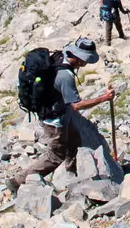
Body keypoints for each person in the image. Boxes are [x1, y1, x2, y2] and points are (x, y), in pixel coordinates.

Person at [21, 36, 120, 184]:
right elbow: (77, 105)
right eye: (86, 60)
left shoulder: (60, 57)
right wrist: (104, 98)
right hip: (53, 120)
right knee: (55, 157)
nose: (86, 64)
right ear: (79, 58)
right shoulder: (65, 76)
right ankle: (20, 181)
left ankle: (73, 176)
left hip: (61, 112)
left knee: (74, 141)